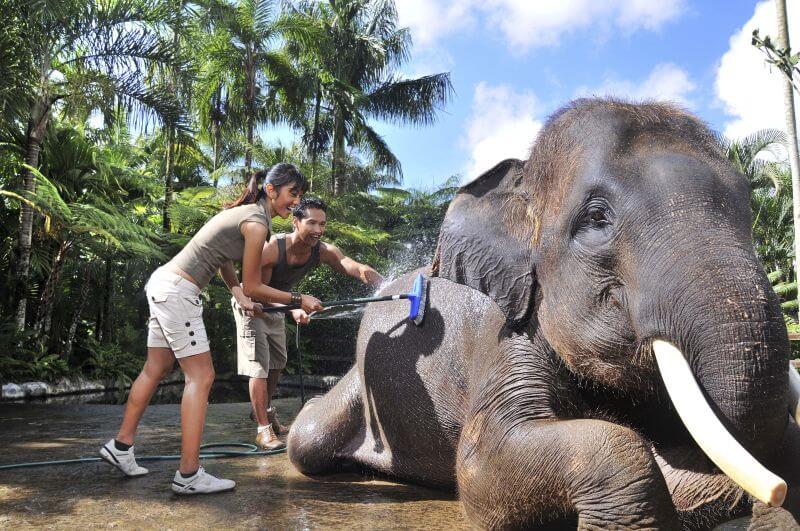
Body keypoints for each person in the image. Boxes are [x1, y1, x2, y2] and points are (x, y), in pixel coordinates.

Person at [99, 163, 323, 495]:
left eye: (300, 195)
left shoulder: (248, 214)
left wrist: (236, 291)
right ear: (272, 191)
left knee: (157, 367)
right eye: (293, 194)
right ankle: (188, 475)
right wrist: (297, 298)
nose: (296, 202)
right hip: (179, 291)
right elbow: (254, 285)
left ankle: (121, 447)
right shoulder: (256, 222)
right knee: (201, 377)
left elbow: (223, 259)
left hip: (164, 283)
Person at [224, 196, 383, 450]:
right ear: (295, 222)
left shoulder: (323, 251)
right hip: (251, 306)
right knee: (259, 367)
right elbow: (256, 291)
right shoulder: (272, 248)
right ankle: (263, 429)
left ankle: (263, 410)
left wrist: (380, 282)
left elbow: (350, 265)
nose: (318, 230)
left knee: (278, 362)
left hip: (283, 305)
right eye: (312, 223)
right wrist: (294, 308)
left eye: (322, 224)